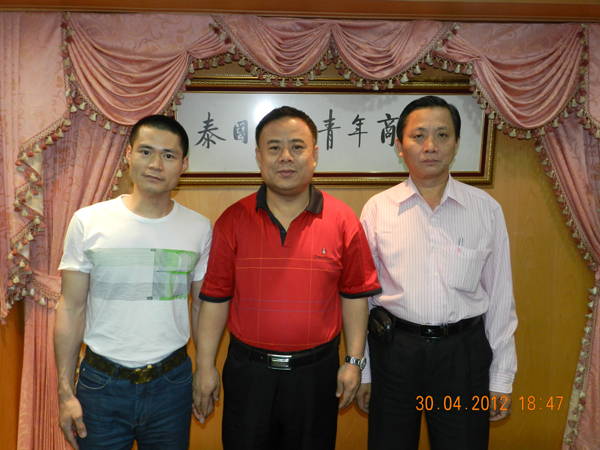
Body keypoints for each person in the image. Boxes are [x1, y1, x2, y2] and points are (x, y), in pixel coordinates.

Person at [193, 106, 381, 450]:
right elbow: (216, 299)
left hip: (316, 376)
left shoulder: (343, 220)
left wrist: (354, 362)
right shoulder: (232, 220)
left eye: (297, 146)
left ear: (315, 155)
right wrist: (205, 366)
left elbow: (355, 296)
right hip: (249, 374)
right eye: (274, 147)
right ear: (259, 157)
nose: (285, 157)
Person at [357, 96, 518, 450]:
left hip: (462, 355)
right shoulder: (377, 210)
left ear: (457, 143)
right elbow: (363, 301)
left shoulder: (485, 210)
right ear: (399, 145)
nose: (430, 146)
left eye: (442, 135)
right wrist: (363, 371)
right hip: (394, 352)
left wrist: (501, 378)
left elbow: (500, 299)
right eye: (418, 136)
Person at [54, 114, 212, 450]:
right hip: (101, 385)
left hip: (172, 383)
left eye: (168, 155)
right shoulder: (88, 221)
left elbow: (201, 307)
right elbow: (70, 307)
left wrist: (205, 368)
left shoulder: (199, 228)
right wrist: (65, 392)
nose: (156, 164)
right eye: (146, 152)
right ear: (128, 155)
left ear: (183, 164)